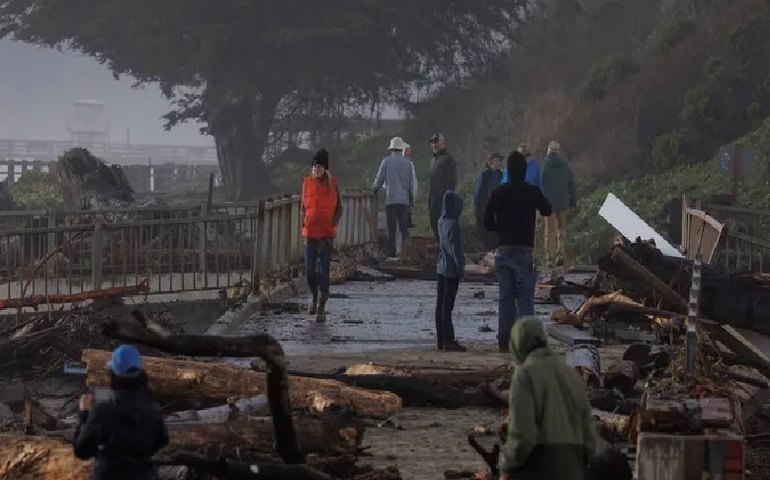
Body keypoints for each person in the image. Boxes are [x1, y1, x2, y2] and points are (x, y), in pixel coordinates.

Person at [499, 317, 597, 480]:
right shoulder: (568, 372)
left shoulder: (525, 374)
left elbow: (523, 435)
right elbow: (588, 429)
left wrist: (506, 466)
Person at [484, 151, 551, 352]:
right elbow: (547, 209)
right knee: (525, 298)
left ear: (508, 170)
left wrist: (500, 228)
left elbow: (487, 221)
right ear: (524, 170)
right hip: (524, 251)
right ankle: (527, 341)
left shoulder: (498, 192)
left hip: (503, 250)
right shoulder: (531, 191)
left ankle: (504, 340)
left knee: (505, 297)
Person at [73, 345, 169, 480]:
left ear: (113, 372)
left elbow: (82, 450)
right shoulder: (151, 407)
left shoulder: (104, 408)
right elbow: (162, 440)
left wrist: (84, 414)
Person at [302, 149, 342, 321]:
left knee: (324, 272)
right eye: (313, 166)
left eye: (318, 166)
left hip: (326, 236)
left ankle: (321, 308)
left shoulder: (333, 184)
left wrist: (332, 222)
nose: (315, 169)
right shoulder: (306, 183)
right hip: (310, 234)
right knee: (310, 271)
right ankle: (314, 296)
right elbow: (303, 205)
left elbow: (339, 208)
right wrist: (305, 220)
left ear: (325, 168)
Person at [373, 137, 415, 257]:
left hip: (391, 200)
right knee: (403, 228)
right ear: (401, 148)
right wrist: (411, 198)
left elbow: (380, 178)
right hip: (403, 200)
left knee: (391, 228)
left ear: (391, 149)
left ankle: (391, 254)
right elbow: (410, 183)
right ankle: (407, 253)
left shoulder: (386, 161)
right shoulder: (408, 163)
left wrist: (375, 189)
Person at [436, 191, 467, 352]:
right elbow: (456, 251)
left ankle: (441, 340)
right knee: (448, 307)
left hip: (440, 268)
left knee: (440, 304)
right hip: (450, 271)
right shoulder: (454, 225)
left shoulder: (441, 221)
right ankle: (449, 340)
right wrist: (461, 270)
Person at [540, 140, 577, 267]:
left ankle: (550, 257)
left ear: (549, 151)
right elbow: (571, 184)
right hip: (563, 202)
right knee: (561, 229)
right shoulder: (565, 165)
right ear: (558, 151)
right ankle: (560, 253)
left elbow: (541, 183)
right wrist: (573, 201)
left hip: (548, 204)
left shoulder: (545, 165)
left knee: (550, 230)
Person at [427, 132, 457, 239]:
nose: (434, 145)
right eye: (432, 142)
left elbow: (452, 180)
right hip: (433, 199)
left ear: (442, 143)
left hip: (443, 200)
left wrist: (448, 198)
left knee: (444, 228)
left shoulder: (448, 159)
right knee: (434, 225)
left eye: (436, 142)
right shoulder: (433, 160)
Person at [473, 153, 504, 251]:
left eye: (499, 161)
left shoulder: (503, 175)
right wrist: (478, 212)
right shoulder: (484, 175)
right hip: (487, 211)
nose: (497, 163)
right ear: (490, 162)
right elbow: (478, 195)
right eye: (495, 161)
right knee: (488, 240)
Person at [403, 143, 418, 228]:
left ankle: (408, 222)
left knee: (408, 206)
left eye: (409, 150)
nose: (408, 152)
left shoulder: (410, 163)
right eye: (407, 150)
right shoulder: (403, 163)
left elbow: (413, 178)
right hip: (404, 189)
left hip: (409, 189)